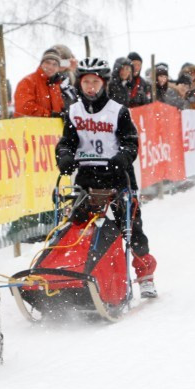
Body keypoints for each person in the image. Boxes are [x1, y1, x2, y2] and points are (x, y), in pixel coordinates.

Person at [55, 58, 157, 298]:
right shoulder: (73, 111)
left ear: (104, 83)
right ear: (80, 84)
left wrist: (123, 156)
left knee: (130, 227)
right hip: (87, 176)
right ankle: (79, 275)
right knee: (80, 228)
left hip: (117, 176)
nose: (91, 87)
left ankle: (145, 277)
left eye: (95, 82)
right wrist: (65, 156)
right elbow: (66, 142)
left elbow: (130, 141)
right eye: (86, 82)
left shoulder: (118, 111)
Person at [14, 48, 65, 117]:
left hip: (53, 126)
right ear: (41, 64)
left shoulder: (57, 85)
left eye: (55, 64)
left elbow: (60, 108)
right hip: (29, 126)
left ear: (58, 68)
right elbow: (24, 108)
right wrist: (49, 114)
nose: (50, 67)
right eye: (47, 62)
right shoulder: (27, 81)